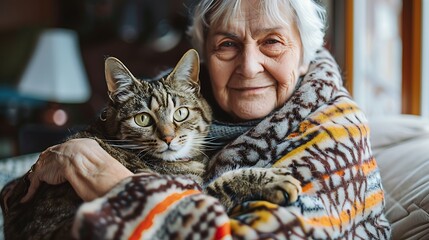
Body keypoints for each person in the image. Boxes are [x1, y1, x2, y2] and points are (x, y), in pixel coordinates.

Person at [19, 0, 391, 239]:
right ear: (205, 57)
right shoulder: (188, 103)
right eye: (227, 44)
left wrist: (106, 178)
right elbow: (18, 200)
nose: (248, 66)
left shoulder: (334, 130)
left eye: (272, 42)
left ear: (306, 53)